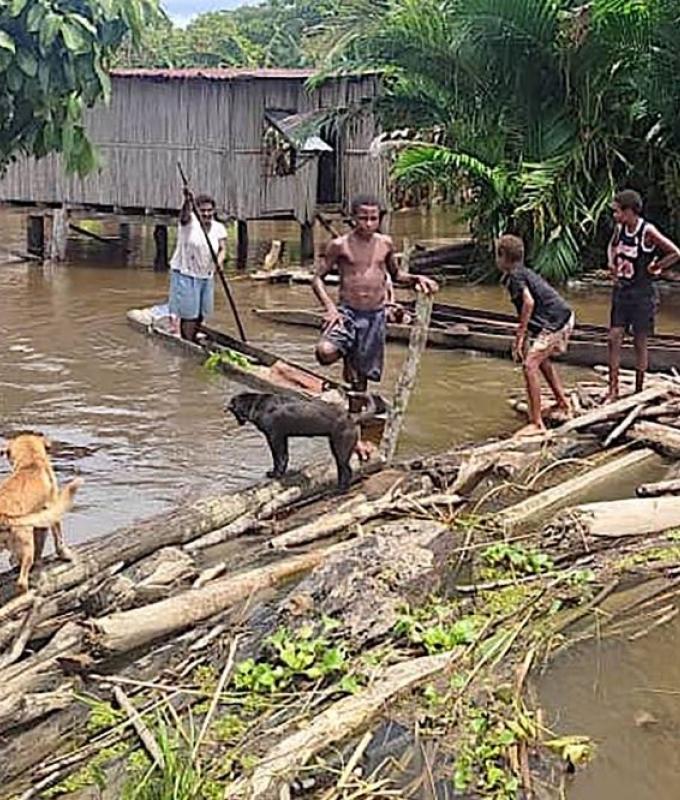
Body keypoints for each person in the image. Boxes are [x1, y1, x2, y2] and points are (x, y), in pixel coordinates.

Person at [311, 195, 438, 407]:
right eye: (363, 218)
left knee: (361, 378)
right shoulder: (340, 245)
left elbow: (397, 276)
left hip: (374, 316)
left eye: (373, 218)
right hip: (347, 313)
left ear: (380, 218)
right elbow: (316, 278)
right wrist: (330, 309)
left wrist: (418, 278)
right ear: (353, 218)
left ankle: (356, 417)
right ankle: (347, 354)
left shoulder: (385, 243)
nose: (368, 223)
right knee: (324, 352)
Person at [497, 234, 574, 436]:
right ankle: (562, 403)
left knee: (529, 365)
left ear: (502, 256)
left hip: (555, 320)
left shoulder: (515, 275)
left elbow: (529, 303)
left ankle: (536, 422)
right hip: (561, 316)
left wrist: (519, 336)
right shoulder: (520, 272)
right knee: (541, 361)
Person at [606, 189, 680, 400]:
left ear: (630, 212)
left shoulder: (647, 231)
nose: (615, 216)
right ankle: (613, 389)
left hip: (642, 295)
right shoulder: (620, 229)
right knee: (614, 338)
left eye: (618, 211)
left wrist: (657, 266)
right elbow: (611, 247)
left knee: (640, 342)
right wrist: (612, 264)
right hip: (621, 291)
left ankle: (638, 389)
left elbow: (675, 252)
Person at [169, 189, 228, 342]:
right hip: (186, 273)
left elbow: (222, 249)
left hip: (206, 274)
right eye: (203, 211)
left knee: (202, 312)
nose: (207, 214)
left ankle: (193, 336)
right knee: (190, 314)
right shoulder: (189, 224)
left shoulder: (218, 227)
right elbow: (183, 217)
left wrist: (219, 262)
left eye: (209, 211)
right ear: (197, 212)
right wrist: (188, 201)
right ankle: (187, 341)